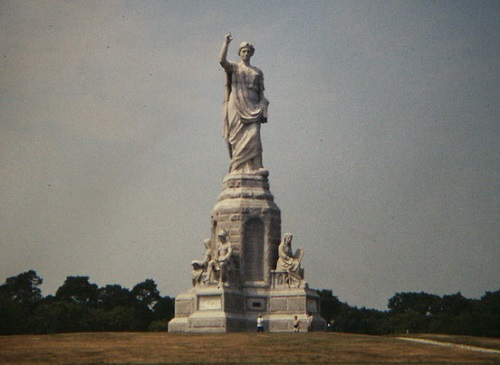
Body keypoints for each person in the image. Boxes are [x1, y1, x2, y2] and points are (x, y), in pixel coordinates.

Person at [219, 34, 269, 174]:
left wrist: (263, 105)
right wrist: (226, 43)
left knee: (254, 135)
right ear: (239, 53)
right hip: (236, 105)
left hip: (254, 106)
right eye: (243, 51)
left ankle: (256, 165)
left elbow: (261, 93)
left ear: (251, 53)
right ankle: (237, 167)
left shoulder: (257, 72)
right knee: (236, 136)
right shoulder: (234, 67)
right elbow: (222, 61)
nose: (246, 53)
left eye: (248, 51)